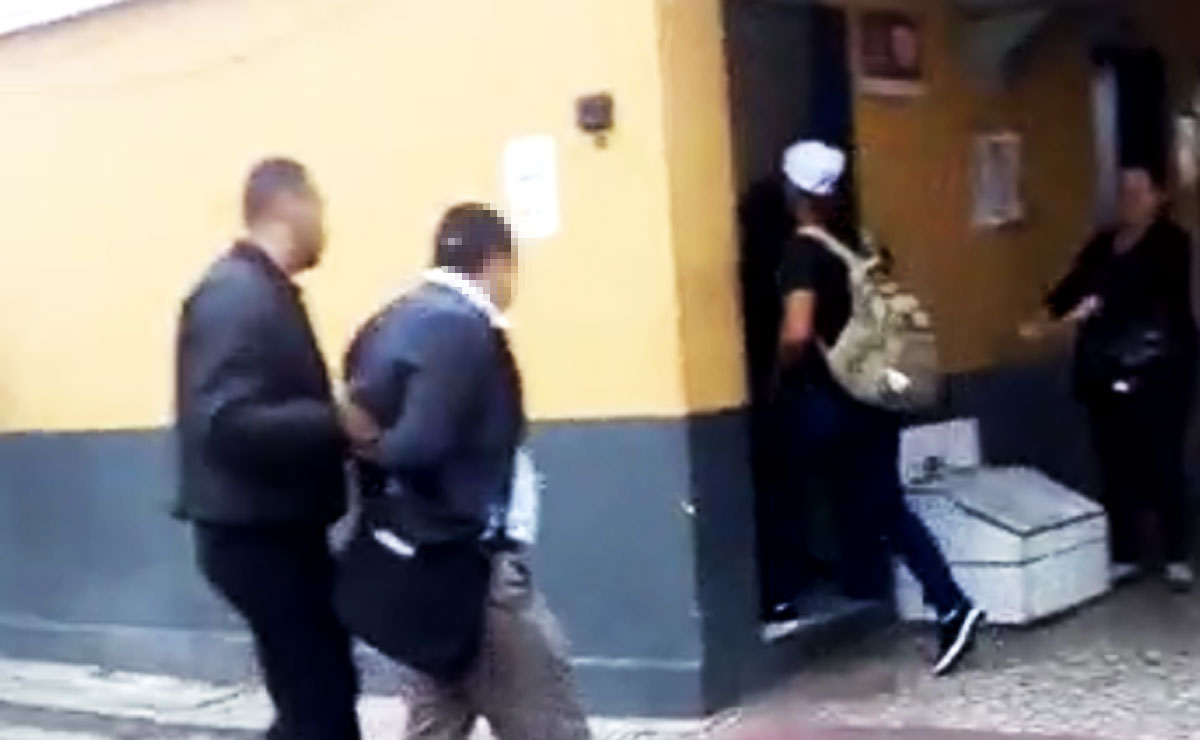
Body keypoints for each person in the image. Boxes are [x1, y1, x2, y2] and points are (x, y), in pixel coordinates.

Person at [340, 203, 592, 739]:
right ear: (497, 262)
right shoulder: (461, 328)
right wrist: (380, 447)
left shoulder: (390, 321)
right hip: (475, 570)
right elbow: (419, 444)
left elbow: (363, 416)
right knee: (551, 722)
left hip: (427, 569)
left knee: (437, 718)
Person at [767, 140, 983, 675]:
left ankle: (781, 599)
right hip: (875, 396)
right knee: (884, 506)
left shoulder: (802, 252)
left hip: (827, 399)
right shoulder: (861, 244)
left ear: (793, 191)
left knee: (779, 484)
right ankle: (950, 603)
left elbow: (797, 331)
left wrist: (780, 370)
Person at [174, 159, 365, 739]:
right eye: (319, 207)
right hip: (257, 539)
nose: (324, 224)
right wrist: (336, 422)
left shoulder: (261, 291)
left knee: (318, 694)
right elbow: (225, 423)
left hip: (280, 532)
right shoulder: (234, 295)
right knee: (321, 702)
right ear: (289, 205)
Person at [1022, 166, 1197, 590]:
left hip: (1158, 369)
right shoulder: (1103, 243)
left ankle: (1175, 553)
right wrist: (1047, 316)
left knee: (1162, 460)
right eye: (1123, 192)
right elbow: (1074, 284)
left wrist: (1098, 304)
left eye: (1139, 192)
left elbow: (1153, 290)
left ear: (1159, 197)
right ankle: (1125, 552)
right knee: (1115, 461)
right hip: (1106, 368)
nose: (1129, 201)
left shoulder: (1172, 243)